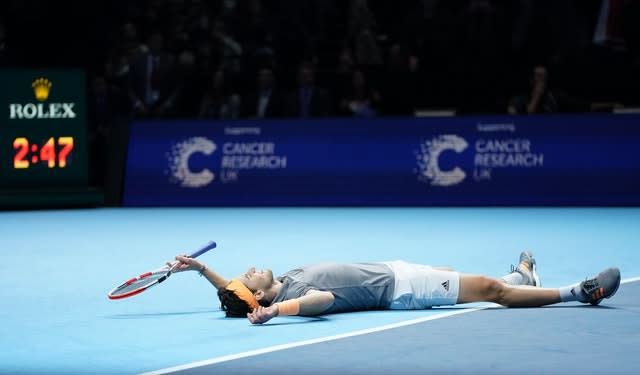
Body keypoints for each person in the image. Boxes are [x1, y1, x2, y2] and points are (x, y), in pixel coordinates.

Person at [169, 251, 621, 325]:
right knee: (487, 289)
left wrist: (200, 269)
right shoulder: (288, 297)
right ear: (260, 297)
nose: (249, 269)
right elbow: (323, 301)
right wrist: (275, 315)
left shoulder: (280, 281)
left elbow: (234, 292)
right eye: (248, 277)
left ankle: (523, 279)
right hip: (401, 289)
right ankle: (578, 293)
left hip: (394, 270)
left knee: (476, 282)